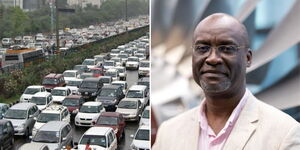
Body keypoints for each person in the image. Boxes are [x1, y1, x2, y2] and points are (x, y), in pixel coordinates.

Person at [152, 13, 300, 150]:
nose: (212, 58)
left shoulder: (284, 134)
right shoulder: (168, 132)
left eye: (226, 48)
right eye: (202, 48)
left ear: (248, 58)